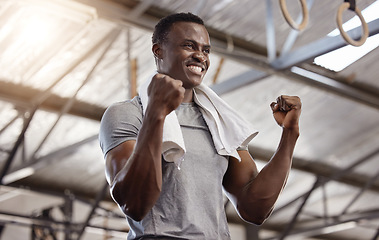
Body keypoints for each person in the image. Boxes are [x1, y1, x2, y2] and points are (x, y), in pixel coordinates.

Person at [99, 12, 301, 240]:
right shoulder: (128, 114)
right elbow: (134, 203)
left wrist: (289, 134)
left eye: (205, 50)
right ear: (158, 51)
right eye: (188, 45)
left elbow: (254, 208)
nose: (200, 56)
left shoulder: (218, 121)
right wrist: (156, 112)